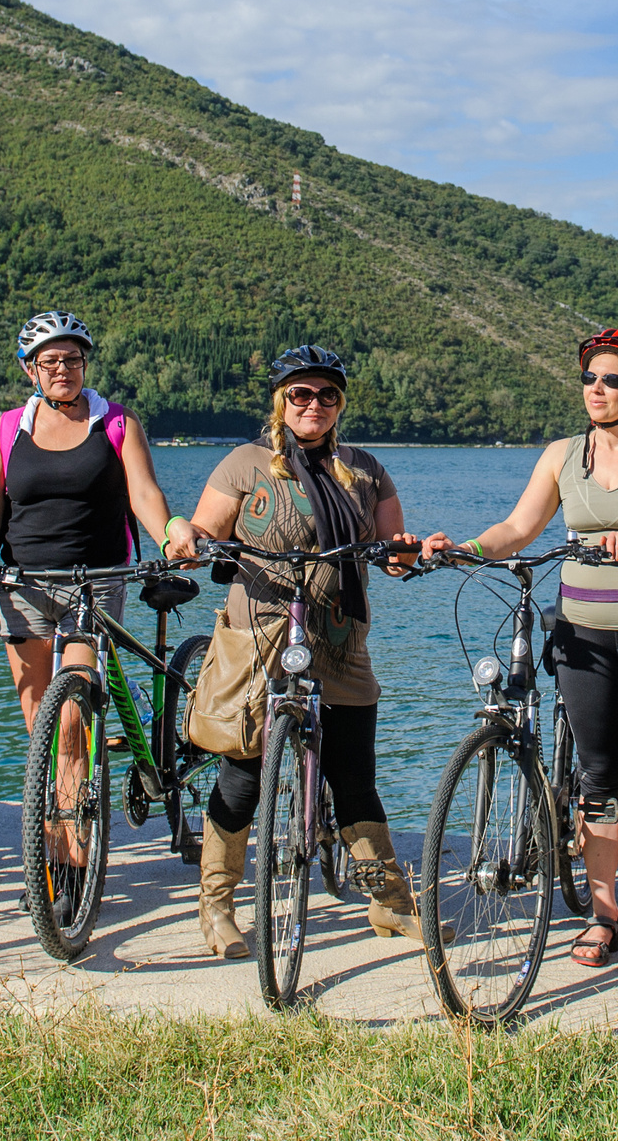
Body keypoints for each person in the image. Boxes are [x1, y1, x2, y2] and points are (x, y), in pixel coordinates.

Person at [420, 328, 618, 976]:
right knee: (597, 778)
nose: (596, 390)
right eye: (590, 379)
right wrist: (464, 549)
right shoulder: (561, 455)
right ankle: (604, 914)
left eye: (612, 381)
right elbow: (519, 528)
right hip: (581, 634)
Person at [182, 346, 422, 960]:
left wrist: (407, 554)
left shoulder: (366, 470)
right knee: (242, 773)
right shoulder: (246, 464)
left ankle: (389, 902)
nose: (313, 405)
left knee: (354, 777)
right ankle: (218, 905)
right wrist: (187, 536)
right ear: (280, 402)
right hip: (259, 636)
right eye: (300, 394)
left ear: (340, 404)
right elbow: (206, 530)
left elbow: (394, 547)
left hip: (340, 641)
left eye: (326, 395)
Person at [0, 311, 195, 891]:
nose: (62, 369)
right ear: (30, 369)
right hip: (23, 584)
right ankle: (56, 834)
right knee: (41, 728)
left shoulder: (114, 421)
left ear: (84, 364)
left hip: (97, 580)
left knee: (69, 721)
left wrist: (169, 535)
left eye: (72, 359)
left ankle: (67, 861)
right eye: (50, 361)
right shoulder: (9, 427)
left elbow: (143, 492)